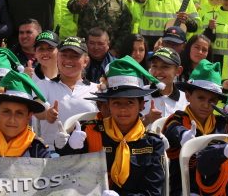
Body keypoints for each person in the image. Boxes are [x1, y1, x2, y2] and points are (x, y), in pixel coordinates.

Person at [56, 56, 166, 195]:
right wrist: (68, 146)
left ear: (141, 105)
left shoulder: (153, 143)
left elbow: (152, 191)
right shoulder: (90, 132)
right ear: (108, 105)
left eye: (130, 102)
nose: (123, 108)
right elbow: (67, 168)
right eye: (116, 102)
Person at [164, 59, 228, 196]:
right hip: (185, 186)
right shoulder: (177, 119)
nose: (206, 105)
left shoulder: (223, 124)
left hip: (218, 187)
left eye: (212, 100)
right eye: (200, 98)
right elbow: (173, 130)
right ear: (188, 96)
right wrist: (184, 135)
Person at [35, 36, 98, 149]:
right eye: (64, 55)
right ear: (57, 57)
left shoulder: (96, 89)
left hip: (87, 154)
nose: (68, 60)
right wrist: (46, 113)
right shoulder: (43, 85)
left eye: (75, 56)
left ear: (86, 61)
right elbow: (37, 106)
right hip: (51, 153)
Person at [142, 47, 188, 127]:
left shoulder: (187, 100)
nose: (158, 71)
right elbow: (126, 128)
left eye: (165, 67)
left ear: (178, 71)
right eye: (154, 66)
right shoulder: (140, 94)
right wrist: (147, 119)